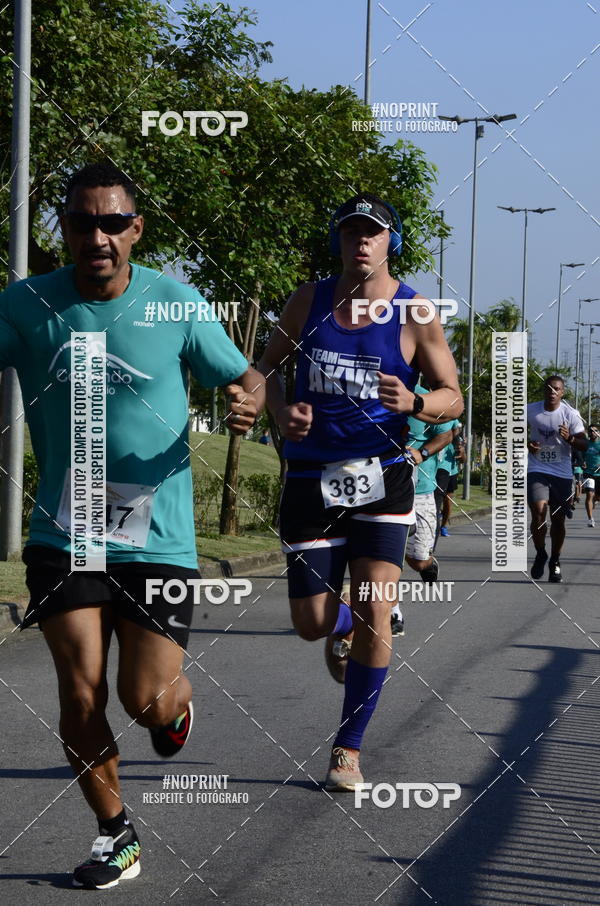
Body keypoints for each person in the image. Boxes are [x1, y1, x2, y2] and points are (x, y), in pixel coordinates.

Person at [0, 163, 264, 888]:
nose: (98, 236)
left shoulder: (174, 304)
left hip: (160, 539)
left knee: (142, 697)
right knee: (79, 692)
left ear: (136, 230)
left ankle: (171, 712)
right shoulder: (25, 304)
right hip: (66, 530)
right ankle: (115, 833)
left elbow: (246, 376)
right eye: (83, 222)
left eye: (113, 222)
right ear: (65, 229)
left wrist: (251, 401)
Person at [258, 193, 462, 791]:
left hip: (384, 478)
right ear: (339, 242)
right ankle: (339, 622)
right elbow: (264, 370)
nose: (361, 243)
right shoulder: (307, 301)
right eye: (351, 233)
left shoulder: (414, 312)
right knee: (310, 621)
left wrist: (418, 402)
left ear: (390, 241)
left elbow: (453, 393)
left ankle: (347, 748)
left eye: (372, 233)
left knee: (378, 606)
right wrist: (280, 410)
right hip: (310, 479)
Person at [389, 385, 454, 636]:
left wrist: (422, 452)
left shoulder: (424, 396)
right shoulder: (374, 391)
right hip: (384, 490)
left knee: (417, 560)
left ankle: (427, 564)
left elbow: (446, 434)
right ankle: (393, 612)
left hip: (421, 488)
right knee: (387, 553)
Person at [527, 376, 586, 582]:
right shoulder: (531, 410)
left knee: (558, 520)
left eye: (557, 389)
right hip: (537, 468)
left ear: (562, 393)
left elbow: (584, 443)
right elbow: (511, 432)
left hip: (561, 473)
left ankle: (555, 560)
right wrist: (528, 444)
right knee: (538, 513)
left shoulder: (570, 414)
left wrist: (569, 438)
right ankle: (541, 552)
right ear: (544, 390)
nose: (553, 391)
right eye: (550, 388)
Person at [435, 422, 465, 537]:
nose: (456, 429)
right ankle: (435, 523)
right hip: (437, 471)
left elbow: (463, 460)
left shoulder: (458, 440)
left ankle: (443, 526)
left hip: (451, 472)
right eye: (455, 427)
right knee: (435, 500)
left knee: (448, 500)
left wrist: (462, 453)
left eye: (457, 428)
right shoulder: (438, 434)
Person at [582, 425, 600, 526]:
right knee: (589, 494)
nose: (592, 433)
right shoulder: (585, 444)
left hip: (599, 473)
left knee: (597, 497)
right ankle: (590, 519)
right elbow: (580, 456)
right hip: (588, 472)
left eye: (595, 431)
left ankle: (596, 499)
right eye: (590, 431)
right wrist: (582, 462)